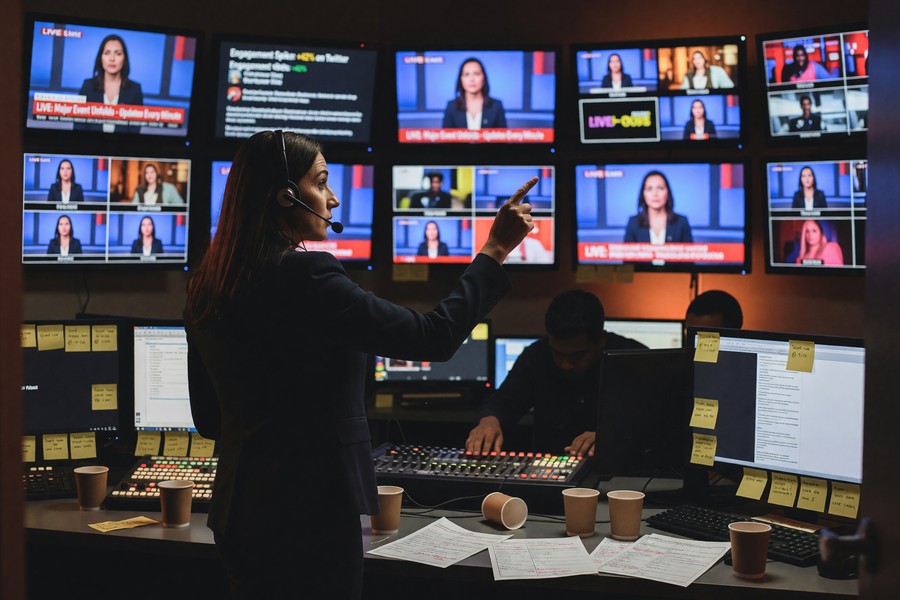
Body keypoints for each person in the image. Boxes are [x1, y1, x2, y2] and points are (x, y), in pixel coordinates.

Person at [183, 130, 535, 599]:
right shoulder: (309, 275)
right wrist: (495, 250)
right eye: (321, 181)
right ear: (286, 196)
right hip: (311, 518)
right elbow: (434, 335)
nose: (331, 198)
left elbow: (210, 419)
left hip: (237, 512)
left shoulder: (209, 285)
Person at [466, 290, 646, 457]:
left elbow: (657, 421)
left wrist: (611, 435)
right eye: (557, 354)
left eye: (577, 355)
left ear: (601, 341)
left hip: (618, 471)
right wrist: (489, 421)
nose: (566, 365)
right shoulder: (537, 356)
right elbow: (504, 401)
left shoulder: (632, 359)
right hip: (549, 469)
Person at [77, 34, 143, 133]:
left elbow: (135, 130)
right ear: (101, 57)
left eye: (118, 54)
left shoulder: (135, 89)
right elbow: (79, 126)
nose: (112, 59)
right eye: (107, 53)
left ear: (124, 58)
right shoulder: (88, 86)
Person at [624, 171, 693, 244]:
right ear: (643, 193)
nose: (655, 194)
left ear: (667, 192)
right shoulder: (633, 222)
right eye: (649, 189)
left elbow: (690, 254)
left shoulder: (681, 222)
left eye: (660, 188)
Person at [442, 57, 507, 130]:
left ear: (484, 77)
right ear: (461, 79)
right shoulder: (451, 106)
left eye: (476, 74)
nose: (472, 79)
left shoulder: (496, 106)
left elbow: (502, 138)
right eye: (466, 74)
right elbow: (446, 138)